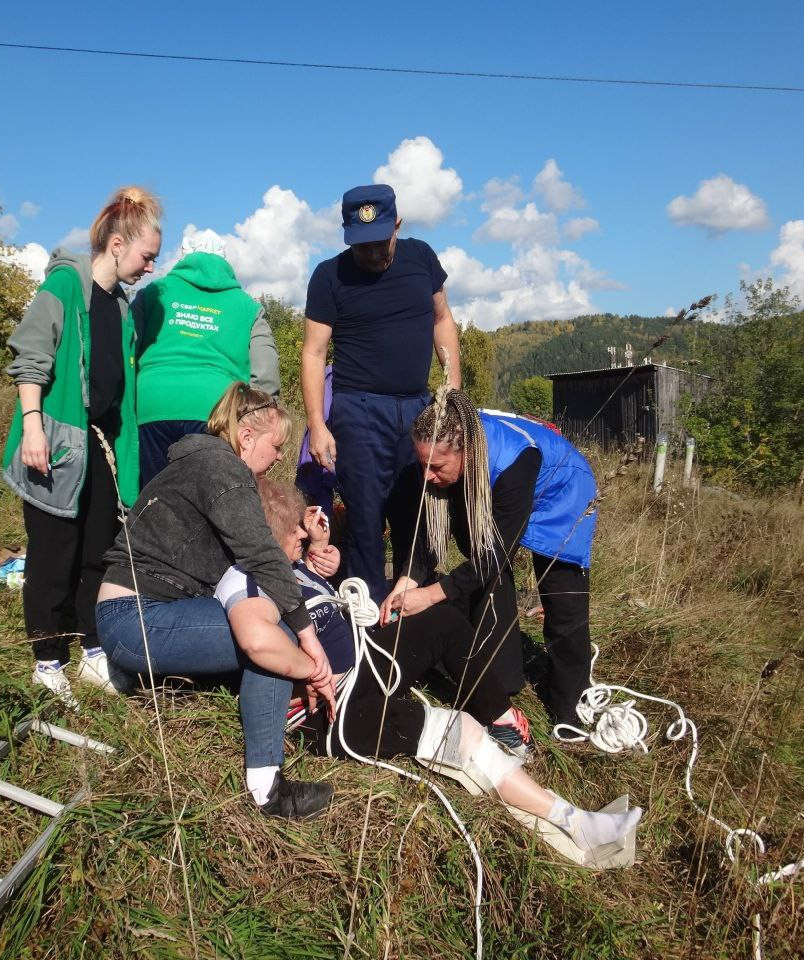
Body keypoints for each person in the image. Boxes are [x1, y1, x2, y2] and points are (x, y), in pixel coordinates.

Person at [219, 479, 640, 856]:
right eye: (294, 526)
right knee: (460, 732)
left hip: (364, 665)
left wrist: (313, 551)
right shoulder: (247, 582)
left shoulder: (287, 567)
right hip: (335, 708)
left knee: (438, 620)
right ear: (269, 534)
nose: (302, 529)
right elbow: (257, 638)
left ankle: (502, 719)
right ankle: (577, 823)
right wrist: (310, 669)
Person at [95, 383, 338, 820]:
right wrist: (311, 658)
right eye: (277, 445)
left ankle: (130, 674)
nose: (280, 456)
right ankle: (268, 789)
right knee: (272, 641)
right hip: (136, 618)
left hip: (128, 614)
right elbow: (261, 553)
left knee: (264, 637)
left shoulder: (199, 460)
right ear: (246, 437)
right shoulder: (223, 469)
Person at [2, 186, 162, 707]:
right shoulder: (66, 286)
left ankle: (93, 647)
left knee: (99, 551)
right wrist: (32, 428)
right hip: (53, 441)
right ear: (117, 245)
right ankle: (47, 660)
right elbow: (31, 355)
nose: (149, 268)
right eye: (146, 257)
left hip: (99, 448)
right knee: (53, 553)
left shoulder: (122, 308)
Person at [383, 389, 599, 728]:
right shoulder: (438, 455)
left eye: (436, 467)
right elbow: (424, 536)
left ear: (466, 452)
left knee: (563, 600)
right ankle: (501, 673)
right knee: (483, 573)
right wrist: (405, 583)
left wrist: (429, 595)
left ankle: (570, 708)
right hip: (489, 483)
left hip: (563, 492)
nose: (427, 476)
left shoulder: (515, 461)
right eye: (422, 465)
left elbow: (495, 555)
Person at [301, 183, 461, 604]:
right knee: (365, 518)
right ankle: (365, 616)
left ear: (398, 226)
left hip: (418, 408)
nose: (373, 253)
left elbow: (442, 320)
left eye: (380, 242)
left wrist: (453, 387)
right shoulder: (328, 276)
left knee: (417, 513)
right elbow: (314, 353)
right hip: (358, 410)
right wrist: (318, 425)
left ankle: (415, 609)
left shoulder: (422, 258)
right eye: (362, 245)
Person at [131, 232, 280, 486]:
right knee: (208, 503)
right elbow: (265, 373)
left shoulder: (153, 293)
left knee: (153, 500)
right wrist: (264, 422)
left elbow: (128, 346)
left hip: (153, 407)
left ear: (184, 257)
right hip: (216, 412)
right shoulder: (247, 306)